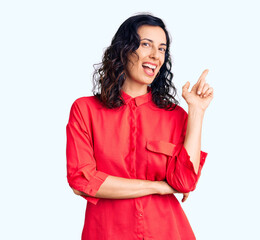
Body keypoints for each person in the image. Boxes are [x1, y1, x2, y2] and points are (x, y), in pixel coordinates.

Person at [65, 13, 213, 240]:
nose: (155, 55)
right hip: (106, 233)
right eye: (146, 44)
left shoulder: (175, 116)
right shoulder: (86, 110)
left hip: (167, 232)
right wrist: (159, 187)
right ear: (124, 50)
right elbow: (82, 182)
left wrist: (197, 111)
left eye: (162, 49)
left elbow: (185, 182)